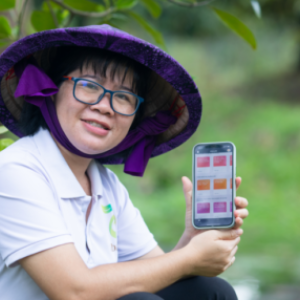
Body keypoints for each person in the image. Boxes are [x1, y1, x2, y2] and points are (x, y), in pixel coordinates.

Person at [0, 25, 248, 300]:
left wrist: (191, 239)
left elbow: (155, 270)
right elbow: (74, 292)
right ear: (52, 90)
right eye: (89, 86)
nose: (104, 106)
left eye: (123, 97)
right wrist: (189, 258)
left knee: (211, 291)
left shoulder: (105, 184)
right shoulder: (15, 170)